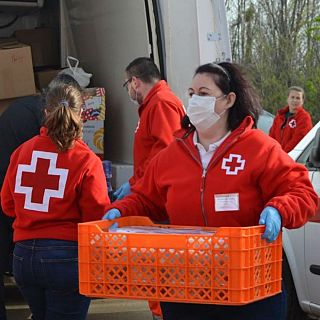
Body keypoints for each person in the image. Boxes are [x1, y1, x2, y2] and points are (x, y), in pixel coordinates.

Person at [103, 62, 318, 320]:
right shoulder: (171, 155)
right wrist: (119, 210)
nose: (194, 101)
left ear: (228, 100)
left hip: (250, 291)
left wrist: (278, 209)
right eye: (192, 94)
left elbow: (303, 193)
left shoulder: (260, 149)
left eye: (203, 94)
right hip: (187, 290)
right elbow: (146, 199)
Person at [1, 83, 110, 320]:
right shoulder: (86, 160)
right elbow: (96, 216)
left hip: (22, 259)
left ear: (45, 112)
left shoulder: (21, 152)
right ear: (81, 114)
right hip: (66, 259)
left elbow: (8, 205)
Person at [114, 57, 185, 201]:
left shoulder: (161, 103)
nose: (128, 91)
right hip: (151, 189)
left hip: (159, 195)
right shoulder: (154, 104)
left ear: (134, 82)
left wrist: (136, 183)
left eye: (126, 85)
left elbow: (165, 151)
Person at [269, 86, 313, 153]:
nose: (294, 100)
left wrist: (282, 154)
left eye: (298, 98)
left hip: (292, 157)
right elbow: (271, 137)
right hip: (276, 155)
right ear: (287, 99)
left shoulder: (304, 118)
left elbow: (297, 140)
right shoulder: (280, 116)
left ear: (302, 101)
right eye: (292, 97)